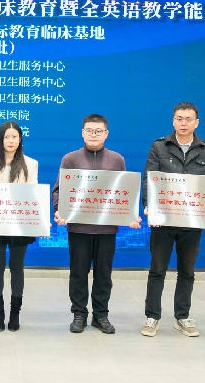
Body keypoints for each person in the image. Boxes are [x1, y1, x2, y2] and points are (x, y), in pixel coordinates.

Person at [52, 114, 141, 335]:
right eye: (90, 131)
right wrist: (59, 210)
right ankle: (79, 314)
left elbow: (124, 192)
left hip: (107, 229)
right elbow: (59, 191)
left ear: (106, 134)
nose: (94, 135)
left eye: (98, 131)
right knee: (78, 273)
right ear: (82, 133)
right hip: (78, 228)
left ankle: (101, 315)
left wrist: (130, 215)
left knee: (104, 274)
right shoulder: (70, 159)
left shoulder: (117, 160)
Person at [140, 102, 205, 338]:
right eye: (179, 119)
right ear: (173, 121)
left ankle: (182, 317)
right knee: (157, 270)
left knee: (187, 270)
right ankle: (152, 317)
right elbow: (149, 179)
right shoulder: (159, 146)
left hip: (191, 222)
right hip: (163, 220)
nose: (183, 123)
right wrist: (149, 206)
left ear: (197, 122)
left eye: (188, 119)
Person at [0, 121, 39, 332]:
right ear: (0, 139)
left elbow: (33, 195)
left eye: (14, 137)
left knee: (17, 268)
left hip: (20, 225)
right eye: (6, 137)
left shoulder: (31, 164)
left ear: (20, 139)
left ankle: (15, 313)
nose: (10, 141)